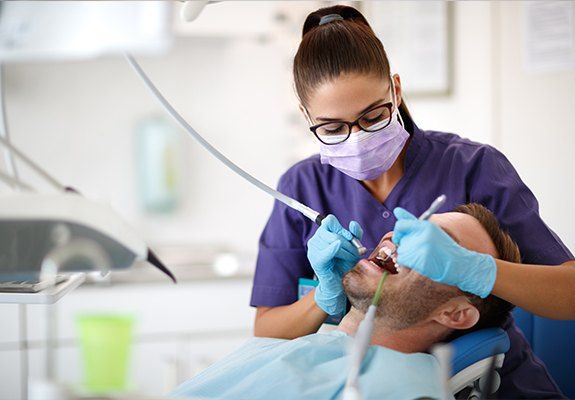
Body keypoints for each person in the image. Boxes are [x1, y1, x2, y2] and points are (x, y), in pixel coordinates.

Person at [251, 5, 574, 398]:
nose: (358, 138)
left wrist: (479, 271)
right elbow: (267, 330)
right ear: (306, 116)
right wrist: (323, 297)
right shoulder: (301, 186)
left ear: (396, 90)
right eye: (333, 128)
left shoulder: (472, 167)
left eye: (372, 117)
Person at [174, 205, 519, 399]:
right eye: (414, 225)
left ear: (455, 313)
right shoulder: (293, 346)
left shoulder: (402, 388)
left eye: (438, 243)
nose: (400, 235)